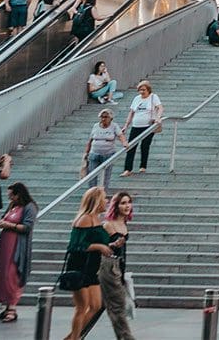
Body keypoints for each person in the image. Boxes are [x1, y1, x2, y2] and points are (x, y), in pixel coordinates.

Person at [61, 188, 115, 340]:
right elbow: (75, 246)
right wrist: (99, 247)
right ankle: (74, 338)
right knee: (82, 307)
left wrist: (112, 244)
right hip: (79, 267)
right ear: (96, 201)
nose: (107, 201)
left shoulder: (97, 219)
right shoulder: (85, 219)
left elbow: (100, 241)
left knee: (96, 306)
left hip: (92, 268)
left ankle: (71, 337)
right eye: (104, 198)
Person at [0, 182, 37, 323]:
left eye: (12, 195)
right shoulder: (13, 206)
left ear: (19, 194)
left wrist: (8, 225)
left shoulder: (30, 207)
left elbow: (27, 227)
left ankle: (12, 308)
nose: (10, 198)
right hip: (5, 244)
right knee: (3, 275)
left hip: (17, 245)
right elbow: (5, 218)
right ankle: (6, 307)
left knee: (12, 275)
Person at [94, 191, 136, 340]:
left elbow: (123, 251)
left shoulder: (123, 223)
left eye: (128, 202)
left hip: (119, 266)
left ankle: (77, 334)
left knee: (105, 306)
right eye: (123, 203)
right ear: (116, 206)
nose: (127, 206)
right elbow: (99, 247)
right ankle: (126, 337)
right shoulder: (108, 225)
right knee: (118, 305)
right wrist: (113, 244)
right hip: (108, 266)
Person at [117, 81, 161, 176]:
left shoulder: (153, 97)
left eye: (143, 90)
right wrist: (126, 125)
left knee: (145, 146)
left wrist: (158, 117)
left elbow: (160, 108)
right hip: (136, 126)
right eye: (140, 90)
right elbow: (131, 112)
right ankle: (128, 169)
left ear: (148, 90)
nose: (141, 92)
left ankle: (143, 167)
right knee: (131, 146)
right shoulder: (136, 99)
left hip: (148, 126)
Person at [82, 108, 126, 191]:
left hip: (108, 154)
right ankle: (92, 193)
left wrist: (124, 143)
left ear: (111, 118)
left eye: (106, 117)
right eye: (102, 117)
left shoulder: (114, 126)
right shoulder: (96, 126)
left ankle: (103, 193)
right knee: (92, 174)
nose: (103, 119)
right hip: (94, 153)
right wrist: (86, 152)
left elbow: (120, 135)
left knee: (106, 175)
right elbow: (90, 140)